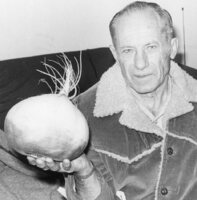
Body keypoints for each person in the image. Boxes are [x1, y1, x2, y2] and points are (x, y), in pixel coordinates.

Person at [27, 1, 197, 200]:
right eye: (127, 50)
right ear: (115, 54)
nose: (140, 64)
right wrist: (84, 171)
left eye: (151, 47)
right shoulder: (81, 119)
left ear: (172, 47)